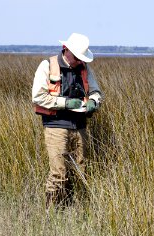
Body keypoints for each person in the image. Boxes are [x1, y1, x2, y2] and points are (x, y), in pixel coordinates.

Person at [32, 33, 103, 210]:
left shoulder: (84, 67)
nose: (79, 61)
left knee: (80, 171)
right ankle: (50, 214)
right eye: (77, 57)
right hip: (56, 126)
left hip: (80, 126)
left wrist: (94, 102)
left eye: (81, 58)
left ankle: (71, 209)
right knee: (58, 173)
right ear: (66, 49)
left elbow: (96, 92)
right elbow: (38, 97)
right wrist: (65, 103)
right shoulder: (47, 65)